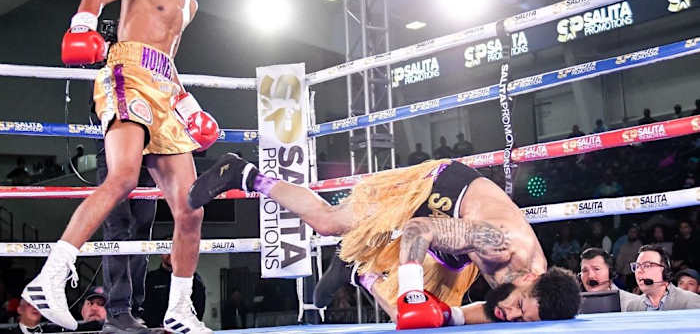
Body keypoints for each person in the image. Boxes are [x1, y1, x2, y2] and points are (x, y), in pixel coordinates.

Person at [20, 0, 229, 332]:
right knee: (123, 177)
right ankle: (47, 280)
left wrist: (187, 106)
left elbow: (166, 61)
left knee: (191, 208)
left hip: (163, 89)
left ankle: (179, 310)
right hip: (126, 76)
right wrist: (83, 24)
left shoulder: (190, 6)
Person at [189, 155, 581, 328]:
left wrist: (446, 315)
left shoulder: (534, 291)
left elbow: (489, 309)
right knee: (328, 223)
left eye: (522, 320)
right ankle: (244, 174)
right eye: (518, 309)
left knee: (416, 324)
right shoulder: (498, 243)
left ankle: (362, 271)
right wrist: (414, 294)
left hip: (456, 248)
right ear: (529, 281)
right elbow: (418, 230)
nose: (510, 316)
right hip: (436, 194)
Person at [92, 105, 157, 334]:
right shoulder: (105, 72)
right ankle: (118, 310)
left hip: (149, 145)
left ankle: (134, 308)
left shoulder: (150, 70)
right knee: (118, 229)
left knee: (143, 228)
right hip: (115, 143)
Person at [625, 244, 700, 311]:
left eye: (647, 265)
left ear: (665, 271)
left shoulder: (691, 301)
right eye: (637, 266)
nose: (639, 271)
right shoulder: (632, 307)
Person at [143, 253, 206, 329]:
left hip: (184, 329)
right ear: (160, 253)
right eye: (167, 248)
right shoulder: (150, 278)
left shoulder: (193, 278)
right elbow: (144, 308)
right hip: (155, 329)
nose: (171, 253)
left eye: (174, 247)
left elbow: (199, 308)